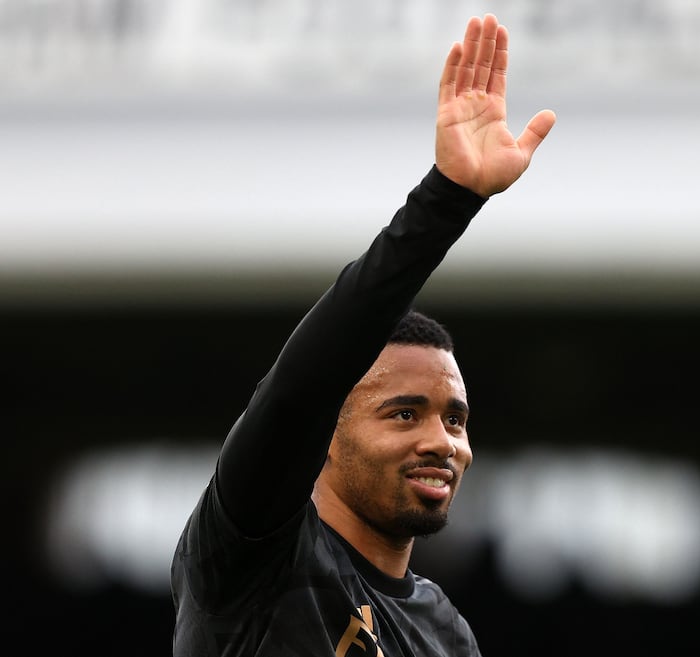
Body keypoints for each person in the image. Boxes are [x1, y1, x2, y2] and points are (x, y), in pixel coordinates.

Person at [170, 13, 556, 657]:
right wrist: (448, 199)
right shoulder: (253, 555)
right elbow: (299, 389)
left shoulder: (446, 633)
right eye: (404, 413)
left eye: (455, 420)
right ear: (325, 432)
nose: (442, 442)